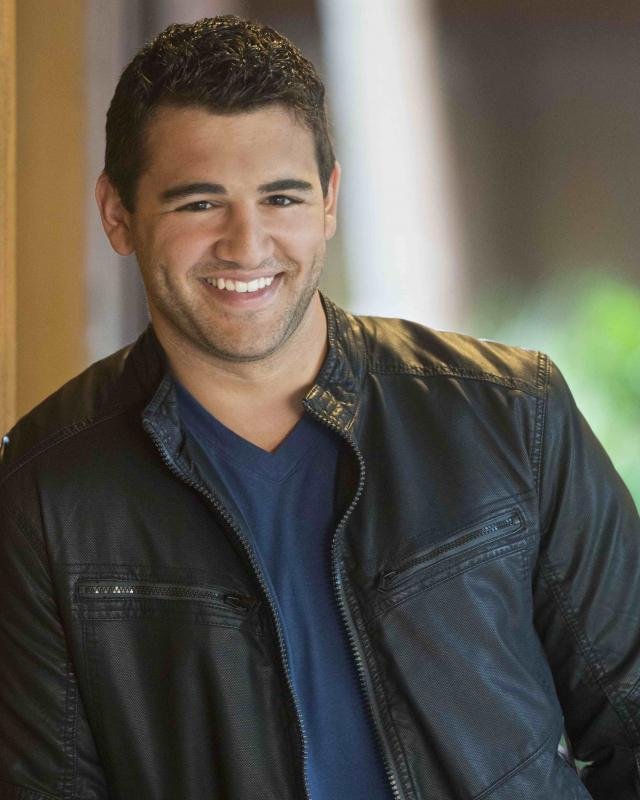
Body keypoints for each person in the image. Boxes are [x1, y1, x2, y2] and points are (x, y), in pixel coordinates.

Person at [1, 15, 639, 800]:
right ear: (117, 214)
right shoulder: (45, 490)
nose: (247, 243)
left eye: (282, 197)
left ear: (329, 201)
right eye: (200, 204)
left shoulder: (513, 416)